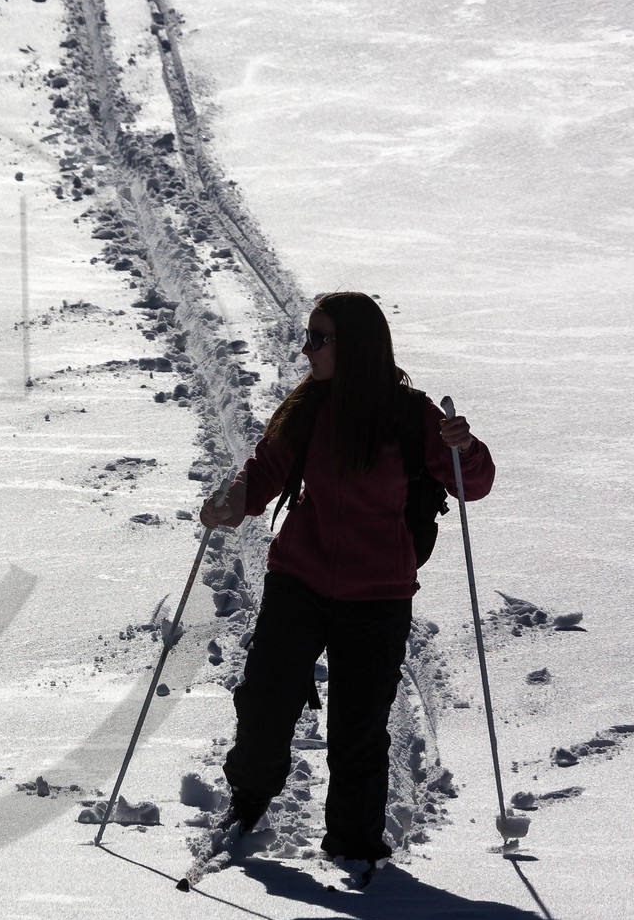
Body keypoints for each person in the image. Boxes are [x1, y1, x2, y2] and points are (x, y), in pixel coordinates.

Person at [199, 291, 495, 865]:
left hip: (378, 593)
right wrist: (230, 503)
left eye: (318, 338)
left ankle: (355, 844)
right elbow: (262, 474)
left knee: (359, 728)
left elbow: (473, 484)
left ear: (355, 345)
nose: (306, 349)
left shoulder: (413, 417)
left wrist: (467, 448)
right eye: (308, 337)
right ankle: (249, 797)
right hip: (299, 578)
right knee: (264, 699)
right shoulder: (308, 408)